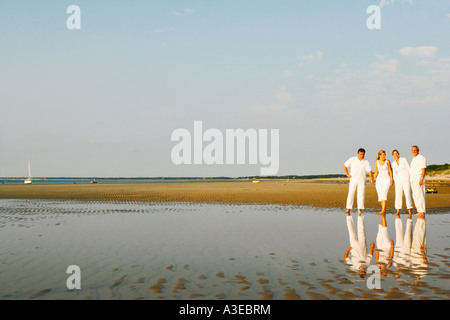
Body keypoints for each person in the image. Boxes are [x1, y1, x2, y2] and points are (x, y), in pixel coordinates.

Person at [343, 148, 374, 214]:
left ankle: (359, 209)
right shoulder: (352, 159)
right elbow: (345, 166)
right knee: (351, 193)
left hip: (362, 180)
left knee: (361, 194)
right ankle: (348, 208)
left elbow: (369, 170)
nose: (362, 156)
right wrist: (347, 174)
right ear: (358, 154)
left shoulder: (366, 161)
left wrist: (371, 177)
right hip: (353, 179)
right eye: (360, 154)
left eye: (363, 154)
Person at [391, 150, 413, 217]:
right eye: (394, 154)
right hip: (398, 181)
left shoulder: (404, 159)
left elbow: (409, 168)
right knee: (398, 195)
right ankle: (398, 211)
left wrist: (410, 177)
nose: (396, 155)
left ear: (398, 153)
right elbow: (394, 173)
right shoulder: (393, 163)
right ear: (393, 155)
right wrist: (395, 180)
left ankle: (409, 210)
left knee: (408, 194)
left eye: (396, 153)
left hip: (406, 179)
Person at [374, 150, 393, 214]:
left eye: (384, 155)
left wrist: (392, 179)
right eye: (382, 155)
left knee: (384, 194)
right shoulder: (376, 162)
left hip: (386, 179)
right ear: (379, 155)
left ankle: (383, 210)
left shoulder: (387, 161)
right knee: (380, 195)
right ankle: (383, 209)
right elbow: (376, 171)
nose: (384, 156)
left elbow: (390, 171)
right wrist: (373, 178)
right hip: (379, 179)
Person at [410, 145, 427, 219]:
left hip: (419, 178)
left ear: (418, 150)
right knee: (415, 195)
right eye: (412, 150)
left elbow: (423, 169)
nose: (414, 151)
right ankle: (419, 210)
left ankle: (422, 211)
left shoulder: (422, 158)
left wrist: (421, 178)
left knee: (419, 195)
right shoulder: (414, 158)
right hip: (413, 179)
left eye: (415, 150)